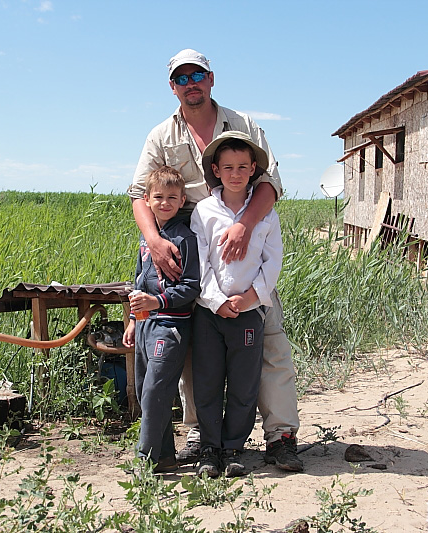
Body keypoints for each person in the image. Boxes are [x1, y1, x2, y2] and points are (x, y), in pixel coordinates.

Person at [128, 48, 303, 472]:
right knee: (195, 349)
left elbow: (270, 182)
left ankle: (280, 435)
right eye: (181, 78)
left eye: (197, 75)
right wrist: (154, 240)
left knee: (269, 342)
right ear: (172, 87)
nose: (191, 84)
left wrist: (245, 225)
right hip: (190, 247)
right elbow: (139, 194)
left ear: (211, 78)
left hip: (246, 238)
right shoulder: (161, 135)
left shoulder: (242, 125)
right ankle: (201, 435)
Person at [189, 131, 282, 478]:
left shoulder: (266, 215)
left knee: (244, 384)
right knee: (207, 381)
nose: (235, 174)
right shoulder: (204, 211)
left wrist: (249, 298)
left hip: (248, 313)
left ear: (254, 168)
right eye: (227, 167)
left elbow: (272, 263)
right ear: (216, 170)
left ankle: (233, 448)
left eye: (243, 166)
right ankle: (209, 449)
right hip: (209, 313)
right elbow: (200, 262)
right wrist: (215, 300)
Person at [122, 166, 201, 473]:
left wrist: (157, 301)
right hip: (145, 324)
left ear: (182, 200)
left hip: (171, 326)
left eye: (171, 197)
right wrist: (133, 319)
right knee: (145, 390)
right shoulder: (147, 239)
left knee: (156, 391)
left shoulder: (185, 238)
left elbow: (191, 286)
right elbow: (139, 280)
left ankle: (145, 459)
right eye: (158, 197)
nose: (165, 203)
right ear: (147, 199)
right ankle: (164, 456)